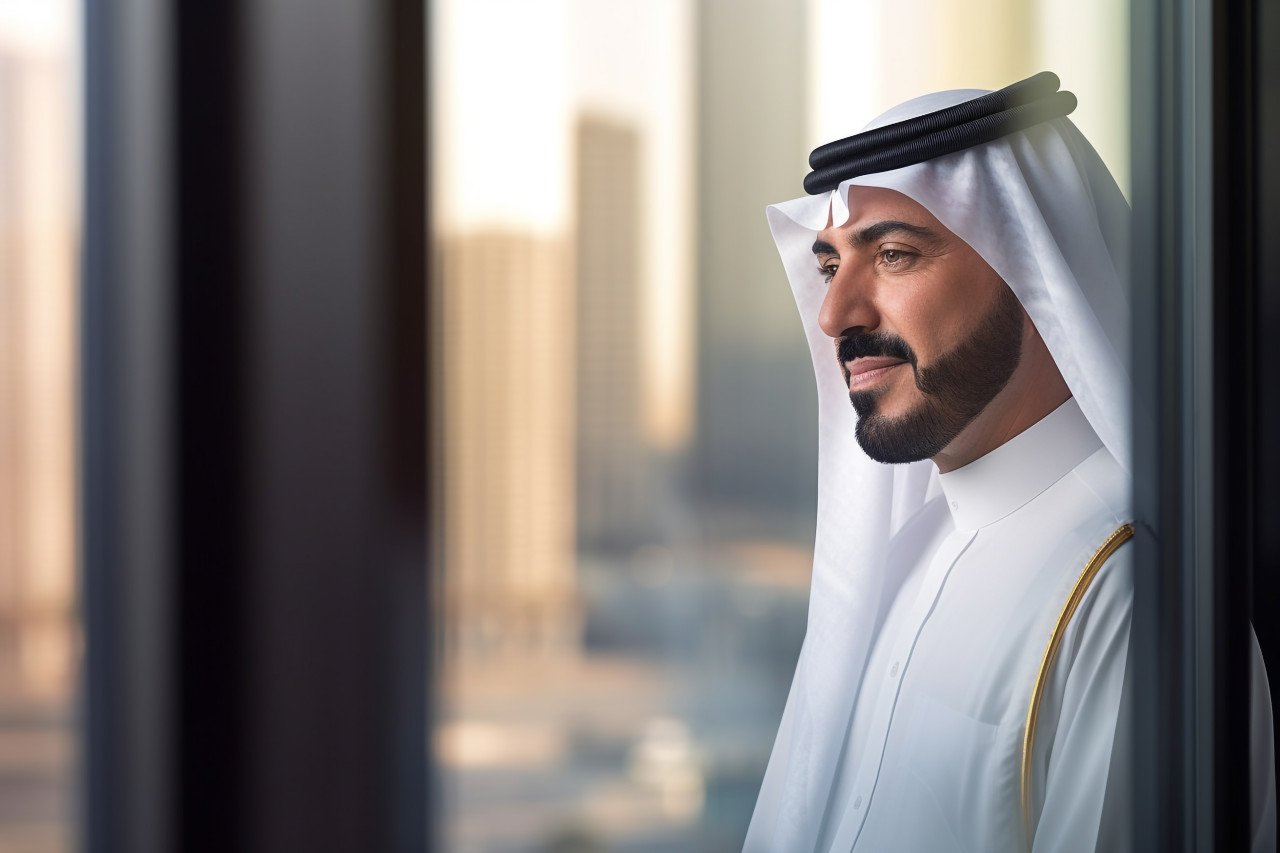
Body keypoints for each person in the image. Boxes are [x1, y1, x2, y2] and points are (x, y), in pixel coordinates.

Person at [743, 74, 1277, 852]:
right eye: (829, 266)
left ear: (1032, 269)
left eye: (892, 254)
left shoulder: (1133, 597)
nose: (835, 315)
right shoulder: (913, 555)